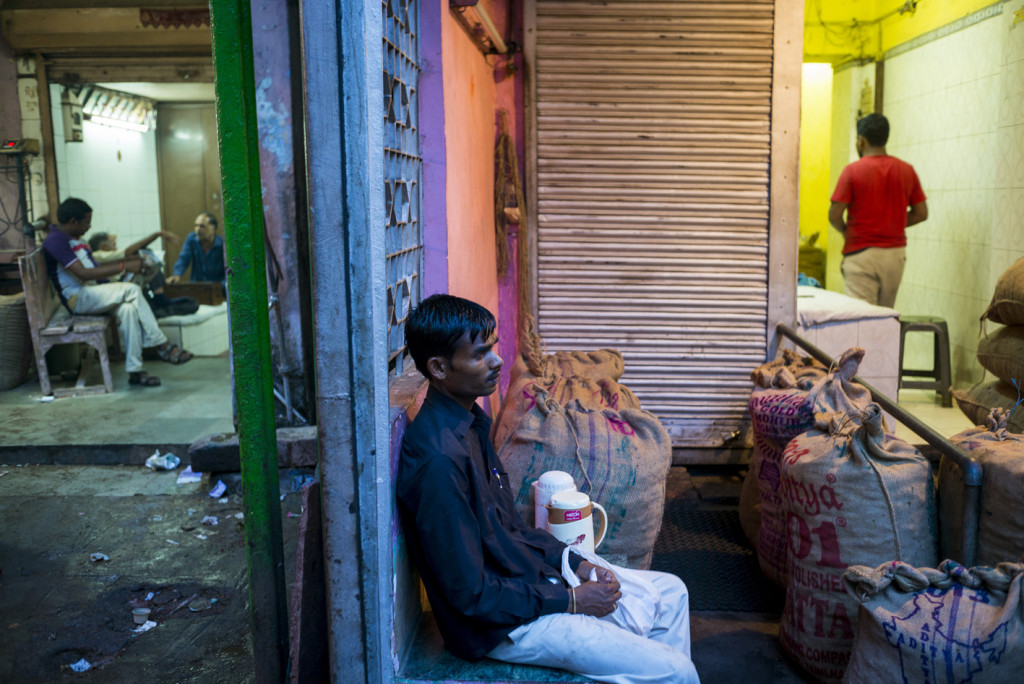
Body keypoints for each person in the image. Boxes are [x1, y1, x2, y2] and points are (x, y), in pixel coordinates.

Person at [396, 294, 699, 684]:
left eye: (493, 347)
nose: (497, 360)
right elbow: (470, 595)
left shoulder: (471, 421)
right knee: (678, 671)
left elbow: (512, 529)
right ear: (438, 368)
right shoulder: (438, 460)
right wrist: (572, 601)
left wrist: (576, 563)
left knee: (672, 592)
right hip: (500, 626)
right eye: (479, 354)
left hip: (529, 583)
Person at [42, 198, 193, 387]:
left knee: (128, 309)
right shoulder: (56, 240)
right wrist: (122, 266)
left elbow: (94, 268)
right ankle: (162, 345)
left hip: (93, 293)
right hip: (77, 298)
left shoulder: (76, 240)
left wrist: (124, 273)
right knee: (132, 290)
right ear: (73, 221)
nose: (89, 226)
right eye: (86, 222)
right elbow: (83, 273)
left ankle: (135, 371)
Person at [828, 113, 928, 308]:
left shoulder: (852, 171)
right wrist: (893, 220)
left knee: (861, 320)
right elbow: (921, 213)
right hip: (895, 257)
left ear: (861, 141)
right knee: (885, 318)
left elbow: (834, 215)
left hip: (862, 255)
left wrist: (846, 230)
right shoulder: (906, 170)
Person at [87, 230, 197, 317]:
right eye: (114, 244)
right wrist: (157, 234)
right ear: (103, 246)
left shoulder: (109, 257)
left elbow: (133, 255)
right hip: (119, 292)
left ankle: (160, 306)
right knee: (146, 257)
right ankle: (160, 301)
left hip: (130, 289)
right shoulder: (98, 255)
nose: (116, 248)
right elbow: (129, 252)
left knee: (193, 303)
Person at [167, 212, 226, 285]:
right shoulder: (191, 239)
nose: (198, 229)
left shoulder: (222, 245)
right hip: (198, 288)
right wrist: (177, 275)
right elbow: (183, 258)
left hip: (218, 289)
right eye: (196, 226)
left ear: (213, 229)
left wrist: (222, 285)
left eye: (202, 226)